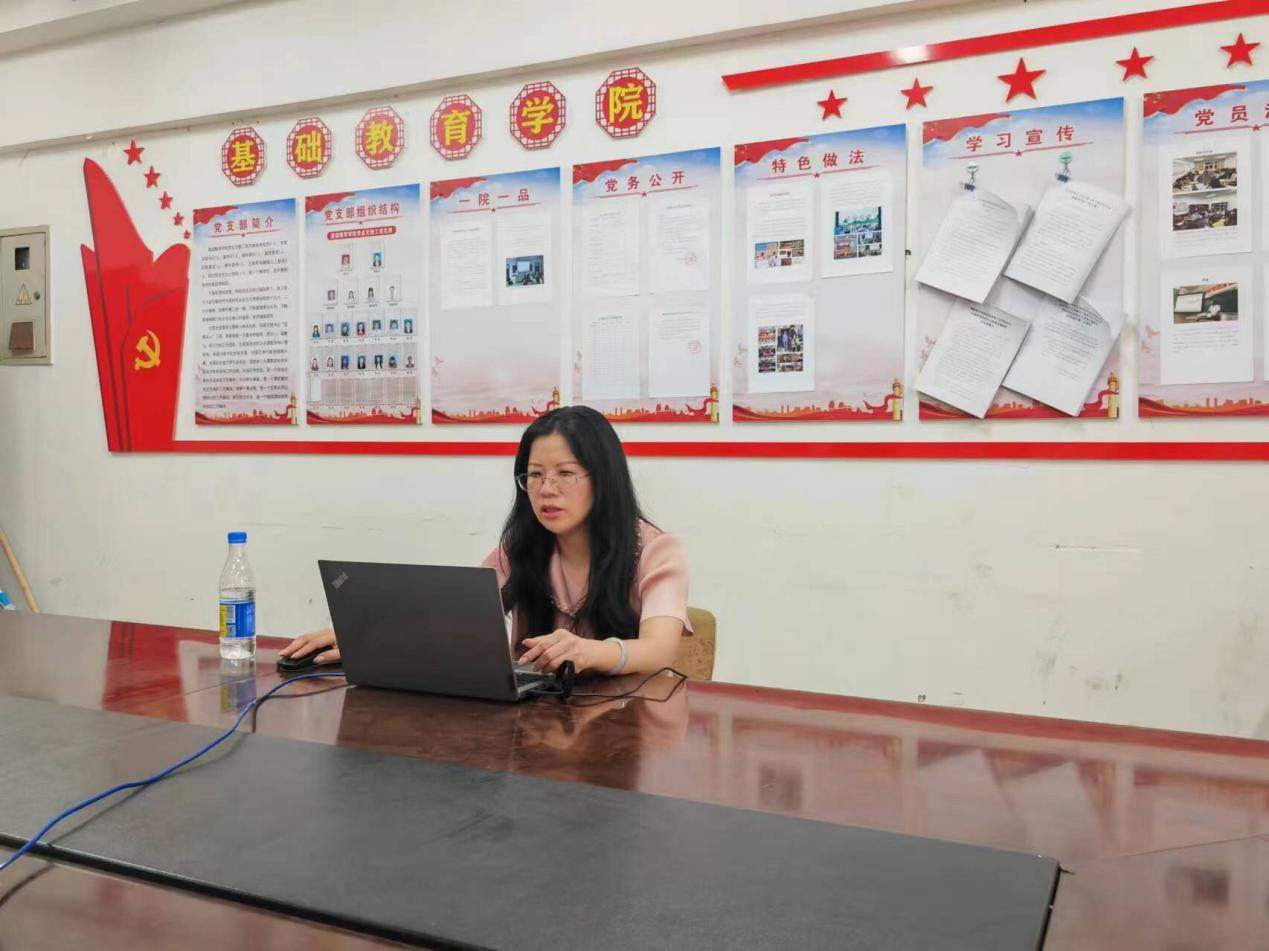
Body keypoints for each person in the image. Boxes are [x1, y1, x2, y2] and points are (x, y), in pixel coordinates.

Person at [281, 406, 690, 675]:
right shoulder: (522, 546)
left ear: (603, 479)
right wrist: (365, 636)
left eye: (565, 474)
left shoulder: (655, 551)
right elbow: (453, 616)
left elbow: (659, 649)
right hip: (536, 725)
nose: (546, 489)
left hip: (624, 727)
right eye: (534, 475)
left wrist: (590, 652)